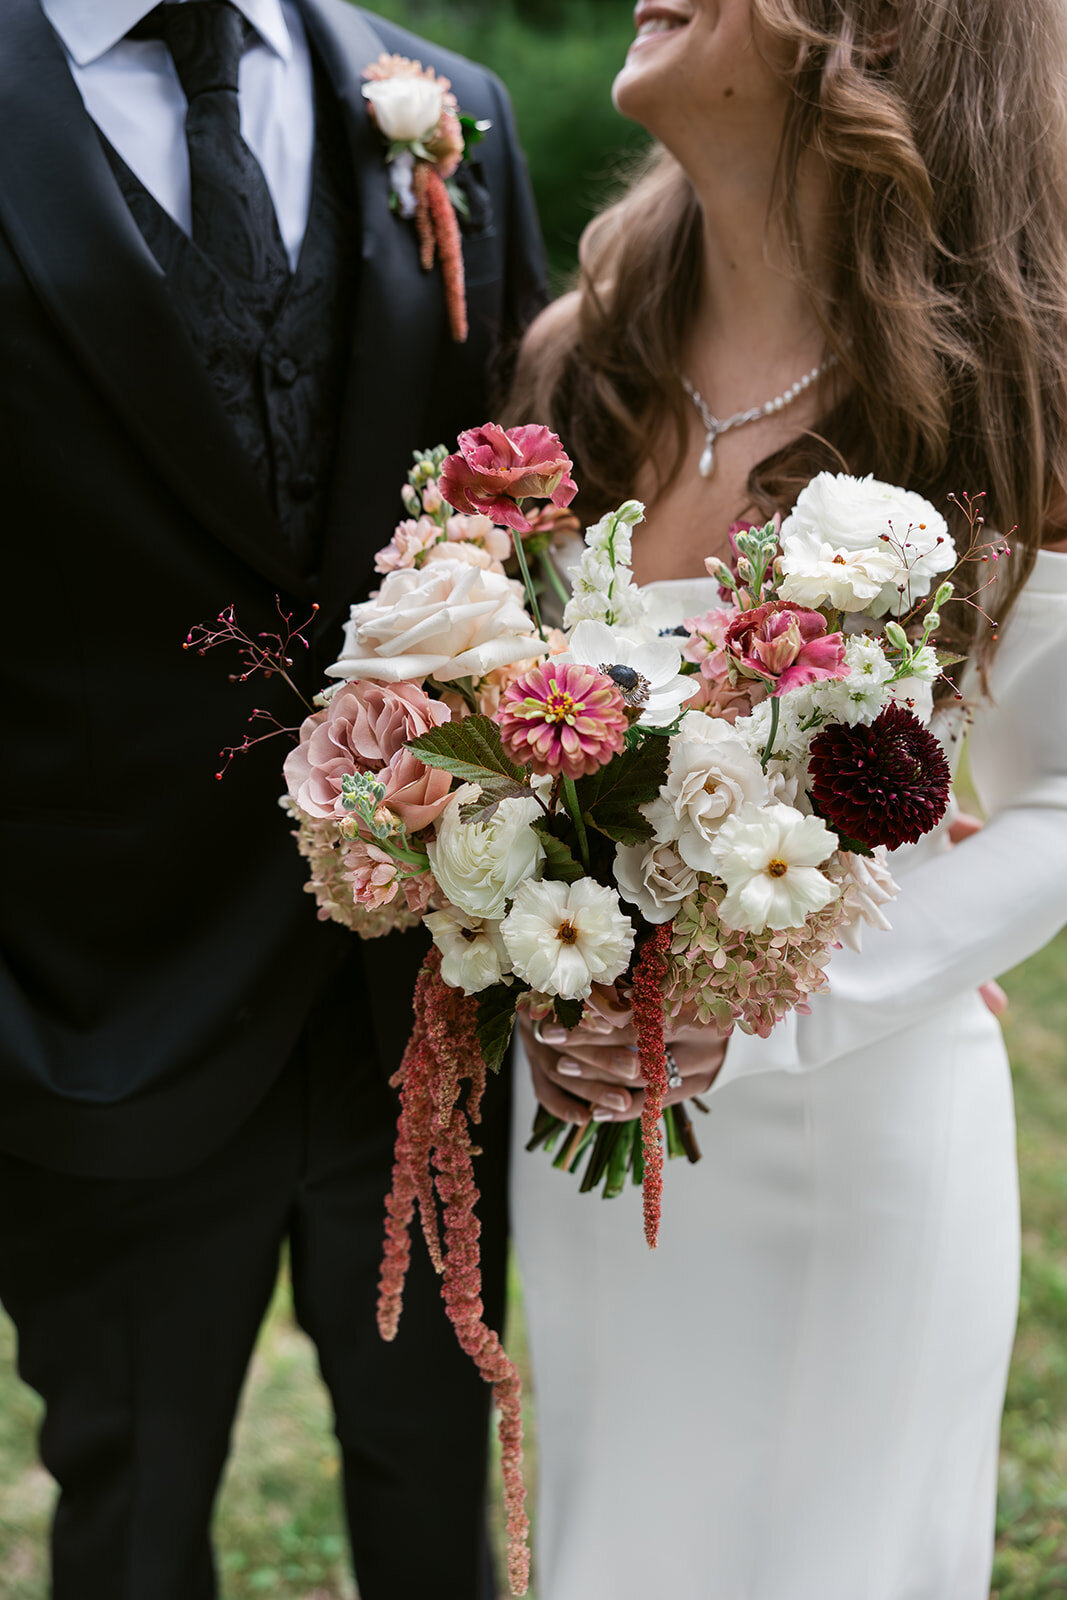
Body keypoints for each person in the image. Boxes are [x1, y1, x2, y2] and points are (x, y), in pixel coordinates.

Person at [506, 1, 1067, 1595]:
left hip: (850, 1144)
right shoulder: (583, 360)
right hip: (587, 1139)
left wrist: (776, 999)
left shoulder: (1012, 377)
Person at [0, 2, 543, 1596]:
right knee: (131, 1519)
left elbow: (527, 507)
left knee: (439, 1504)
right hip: (94, 992)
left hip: (425, 987)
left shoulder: (448, 104)